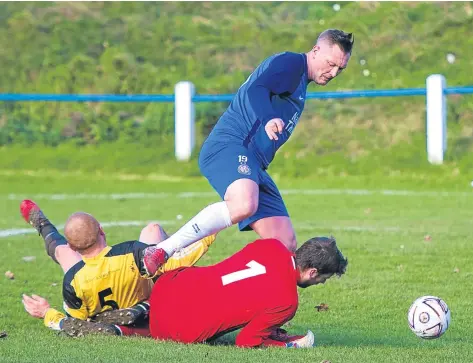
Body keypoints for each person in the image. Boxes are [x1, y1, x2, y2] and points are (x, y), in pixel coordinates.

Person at [142, 29, 354, 275]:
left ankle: (227, 291)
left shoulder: (301, 82)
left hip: (254, 165)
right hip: (230, 146)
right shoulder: (291, 63)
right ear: (316, 50)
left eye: (341, 69)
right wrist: (269, 117)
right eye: (331, 64)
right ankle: (162, 250)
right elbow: (257, 88)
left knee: (284, 248)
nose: (334, 73)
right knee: (243, 204)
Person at [20, 200, 216, 336]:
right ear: (102, 230)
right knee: (153, 230)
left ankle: (43, 224)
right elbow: (181, 258)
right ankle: (146, 304)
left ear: (75, 247)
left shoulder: (72, 280)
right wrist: (212, 226)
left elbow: (74, 322)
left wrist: (46, 312)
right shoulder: (131, 252)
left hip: (92, 294)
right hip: (142, 298)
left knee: (61, 252)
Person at [149, 236, 348, 348]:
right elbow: (245, 342)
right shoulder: (288, 302)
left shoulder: (270, 244)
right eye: (324, 278)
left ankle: (141, 310)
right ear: (313, 272)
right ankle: (135, 321)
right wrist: (290, 345)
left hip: (169, 284)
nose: (321, 283)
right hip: (176, 330)